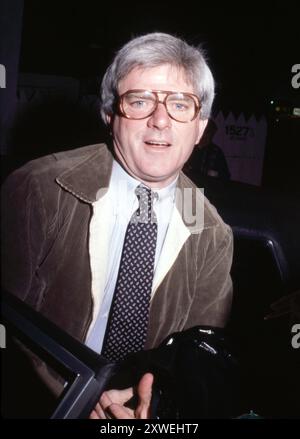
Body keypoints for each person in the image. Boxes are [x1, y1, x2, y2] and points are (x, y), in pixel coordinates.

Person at [1, 32, 234, 419]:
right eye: (139, 101)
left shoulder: (209, 229)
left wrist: (150, 401)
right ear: (110, 115)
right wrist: (71, 392)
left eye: (180, 104)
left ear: (199, 127)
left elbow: (196, 355)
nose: (160, 120)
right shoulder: (38, 188)